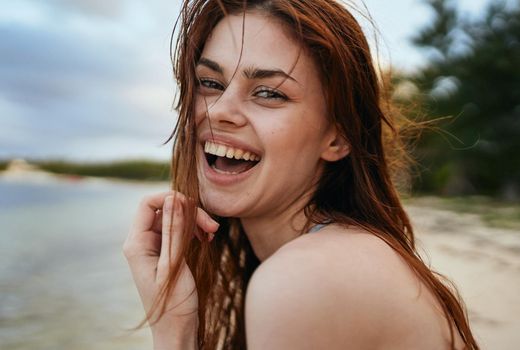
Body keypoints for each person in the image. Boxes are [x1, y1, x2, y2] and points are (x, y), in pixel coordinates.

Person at [123, 0, 480, 349]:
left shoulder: (306, 279)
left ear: (338, 137)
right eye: (211, 83)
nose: (220, 111)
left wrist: (174, 335)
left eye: (269, 93)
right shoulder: (338, 252)